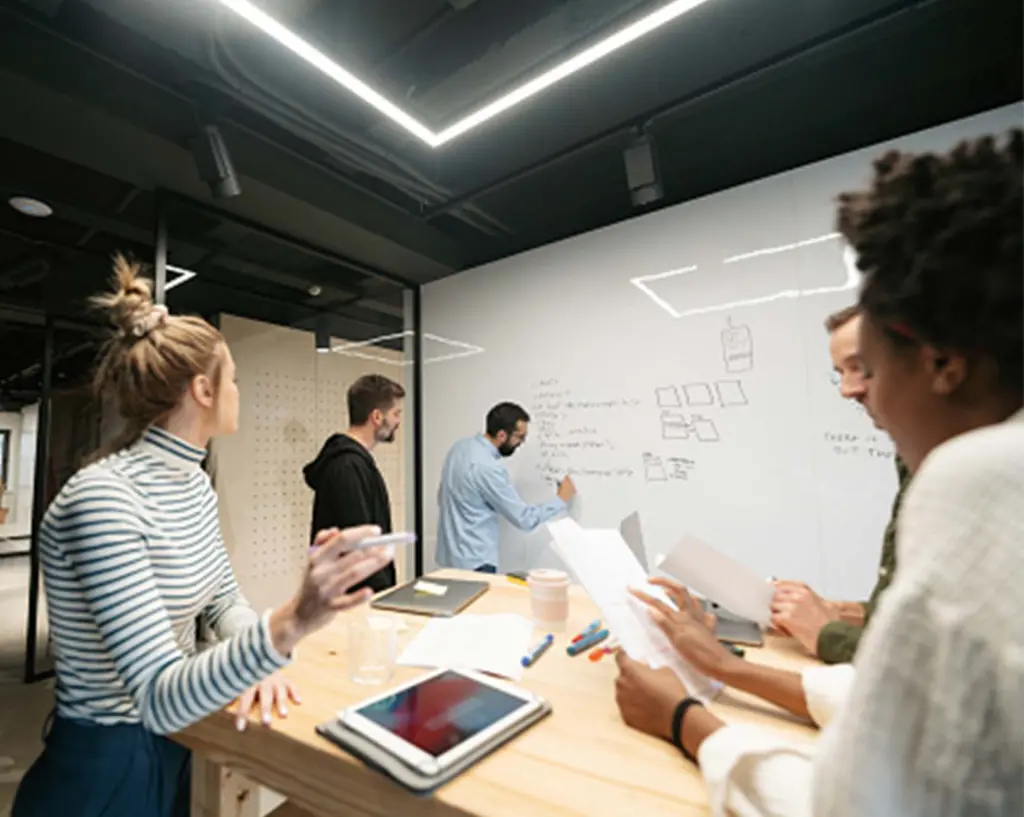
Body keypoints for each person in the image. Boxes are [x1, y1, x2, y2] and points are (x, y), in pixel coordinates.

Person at [614, 129, 1023, 816]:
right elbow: (915, 714)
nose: (854, 393)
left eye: (868, 364)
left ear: (942, 362)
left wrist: (686, 715)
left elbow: (858, 804)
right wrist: (726, 665)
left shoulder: (979, 478)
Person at [12, 256, 394, 817]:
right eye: (232, 377)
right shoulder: (102, 500)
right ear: (203, 390)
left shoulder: (193, 485)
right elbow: (161, 697)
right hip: (103, 766)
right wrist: (290, 622)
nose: (238, 389)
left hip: (179, 745)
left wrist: (258, 658)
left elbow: (221, 601)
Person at [770, 305, 911, 663]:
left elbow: (930, 667)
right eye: (840, 373)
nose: (847, 390)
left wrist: (826, 632)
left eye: (860, 367)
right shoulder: (913, 462)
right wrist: (837, 612)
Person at [436, 402, 576, 572]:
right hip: (476, 565)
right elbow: (524, 519)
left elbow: (441, 496)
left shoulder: (459, 448)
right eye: (519, 437)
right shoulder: (488, 468)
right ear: (502, 435)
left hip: (449, 561)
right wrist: (561, 499)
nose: (522, 443)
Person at [304, 374, 405, 594]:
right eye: (396, 414)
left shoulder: (353, 462)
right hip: (354, 597)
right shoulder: (347, 466)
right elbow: (359, 541)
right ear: (377, 416)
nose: (398, 421)